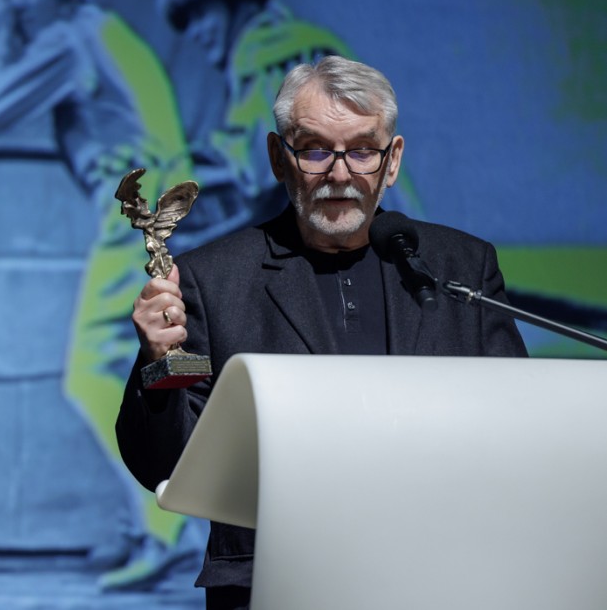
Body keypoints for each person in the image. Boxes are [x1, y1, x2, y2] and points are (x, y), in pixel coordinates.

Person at [116, 55, 528, 609]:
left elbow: (516, 433)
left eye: (361, 150)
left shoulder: (462, 267)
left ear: (392, 160)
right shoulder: (212, 279)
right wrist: (160, 362)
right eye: (314, 150)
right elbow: (164, 465)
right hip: (277, 581)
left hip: (438, 576)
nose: (339, 174)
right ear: (277, 158)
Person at [0, 0, 200, 591]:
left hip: (139, 212)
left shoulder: (70, 40)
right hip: (163, 207)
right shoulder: (108, 34)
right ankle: (159, 522)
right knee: (149, 369)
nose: (17, 0)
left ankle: (167, 525)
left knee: (90, 370)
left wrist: (3, 34)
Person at [157, 0, 366, 232]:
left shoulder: (266, 55)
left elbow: (265, 178)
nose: (195, 32)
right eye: (189, 22)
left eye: (202, 14)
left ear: (238, 1)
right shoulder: (291, 46)